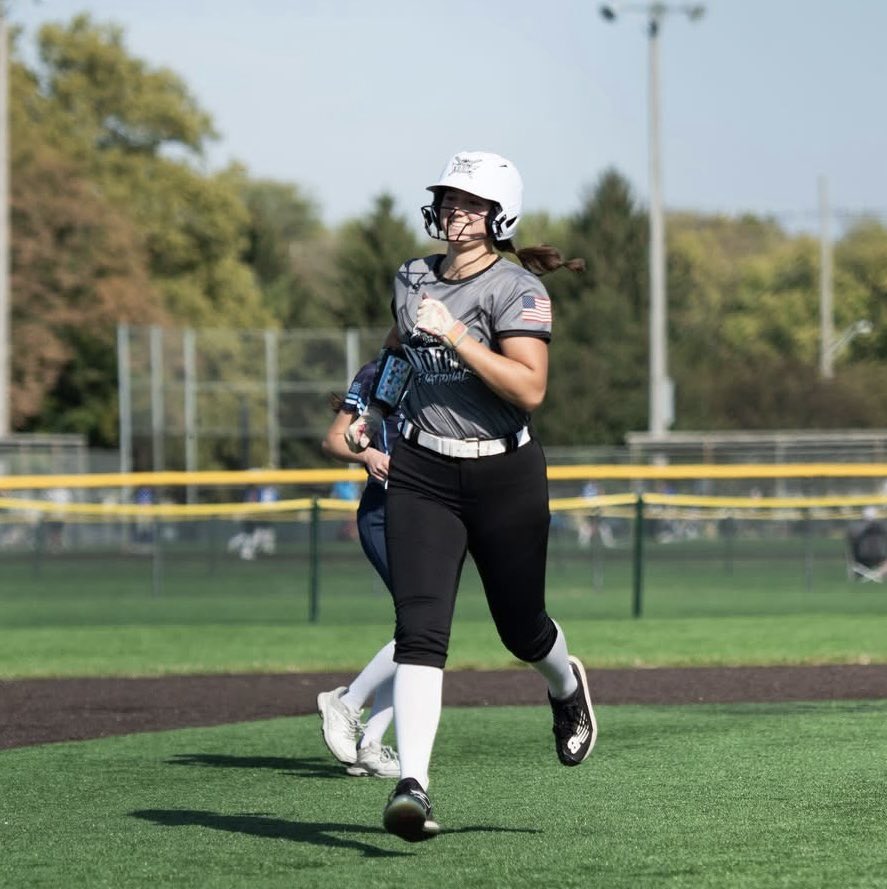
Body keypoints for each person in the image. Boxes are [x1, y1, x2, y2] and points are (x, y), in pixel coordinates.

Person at [345, 150, 595, 842]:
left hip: (502, 473)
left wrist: (455, 333)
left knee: (521, 628)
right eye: (447, 199)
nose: (452, 212)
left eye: (467, 202)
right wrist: (374, 406)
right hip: (422, 470)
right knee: (419, 631)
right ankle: (412, 786)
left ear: (497, 214)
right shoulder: (411, 275)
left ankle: (564, 686)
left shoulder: (514, 289)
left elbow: (529, 387)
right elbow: (398, 349)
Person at [315, 360, 404, 778]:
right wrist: (368, 453)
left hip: (429, 513)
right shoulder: (382, 371)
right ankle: (347, 705)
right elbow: (334, 439)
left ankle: (369, 743)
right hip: (385, 511)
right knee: (423, 628)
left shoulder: (451, 368)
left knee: (420, 632)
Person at [846, 506, 887, 581]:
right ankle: (877, 575)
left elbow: (851, 541)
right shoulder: (882, 526)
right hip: (879, 556)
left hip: (861, 557)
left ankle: (865, 575)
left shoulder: (856, 527)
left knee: (851, 554)